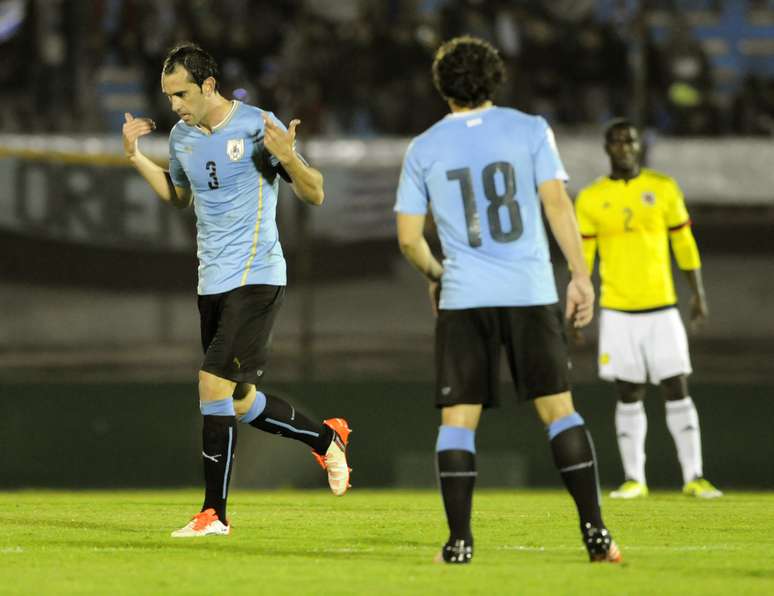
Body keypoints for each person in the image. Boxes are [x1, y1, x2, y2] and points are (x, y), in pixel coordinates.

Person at [394, 35, 621, 565]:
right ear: (495, 78)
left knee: (457, 420)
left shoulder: (424, 146)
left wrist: (437, 274)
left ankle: (458, 544)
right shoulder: (529, 129)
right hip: (529, 290)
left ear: (441, 86)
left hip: (465, 296)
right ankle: (596, 536)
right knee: (560, 413)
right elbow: (558, 205)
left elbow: (409, 239)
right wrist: (581, 276)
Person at [121, 42, 351, 537]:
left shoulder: (256, 124)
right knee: (241, 401)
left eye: (181, 93)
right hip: (213, 281)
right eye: (168, 96)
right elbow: (179, 197)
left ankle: (214, 514)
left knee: (211, 386)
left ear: (208, 85)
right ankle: (326, 438)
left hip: (258, 275)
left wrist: (289, 159)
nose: (174, 105)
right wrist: (136, 157)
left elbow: (315, 193)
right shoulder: (182, 138)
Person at [574, 118, 721, 500]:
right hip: (618, 310)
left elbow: (684, 243)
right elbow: (583, 258)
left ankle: (694, 476)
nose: (624, 147)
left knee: (677, 386)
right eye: (617, 141)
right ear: (607, 148)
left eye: (630, 140)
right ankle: (634, 479)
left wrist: (698, 293)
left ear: (640, 146)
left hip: (662, 307)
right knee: (628, 391)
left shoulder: (663, 188)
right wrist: (578, 302)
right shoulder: (590, 198)